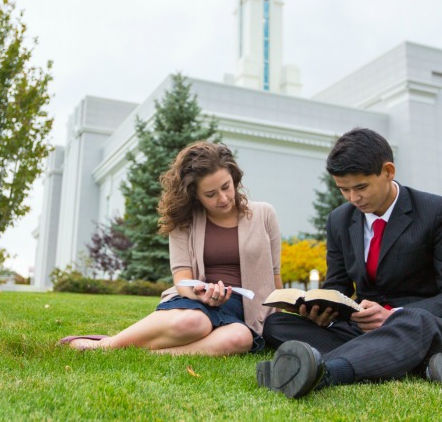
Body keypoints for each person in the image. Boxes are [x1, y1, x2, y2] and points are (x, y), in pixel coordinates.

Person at [259, 128, 442, 398]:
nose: (353, 198)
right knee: (277, 326)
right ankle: (413, 361)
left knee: (414, 321)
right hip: (363, 328)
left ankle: (326, 371)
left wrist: (393, 314)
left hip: (429, 324)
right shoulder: (339, 220)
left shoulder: (437, 211)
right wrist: (319, 308)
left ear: (388, 171)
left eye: (360, 187)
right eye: (344, 189)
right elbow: (338, 285)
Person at [59, 141, 283, 355]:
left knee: (240, 338)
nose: (223, 198)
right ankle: (107, 346)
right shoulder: (184, 220)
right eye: (210, 194)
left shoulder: (264, 214)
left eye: (226, 187)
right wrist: (202, 294)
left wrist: (281, 322)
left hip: (242, 311)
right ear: (195, 194)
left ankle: (154, 355)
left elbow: (274, 275)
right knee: (194, 322)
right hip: (195, 301)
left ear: (234, 178)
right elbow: (182, 277)